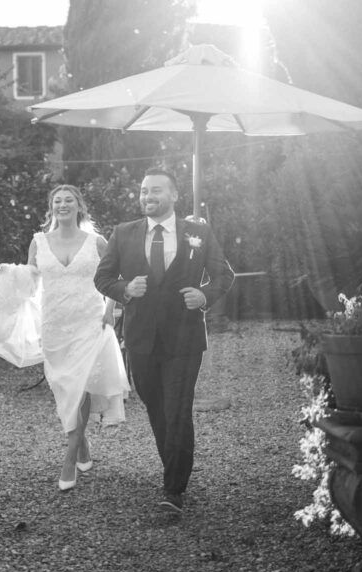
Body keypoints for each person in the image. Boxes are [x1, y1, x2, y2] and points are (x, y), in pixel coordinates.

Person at [94, 168, 234, 515]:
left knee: (177, 409)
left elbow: (224, 275)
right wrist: (125, 290)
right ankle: (173, 465)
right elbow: (102, 277)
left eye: (155, 190)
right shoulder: (123, 233)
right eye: (143, 191)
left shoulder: (198, 233)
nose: (147, 196)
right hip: (140, 339)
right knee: (156, 406)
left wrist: (204, 296)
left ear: (173, 195)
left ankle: (174, 488)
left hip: (184, 338)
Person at [27, 184, 129, 492]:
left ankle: (70, 454)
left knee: (81, 387)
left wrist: (110, 309)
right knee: (64, 389)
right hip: (55, 327)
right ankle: (82, 442)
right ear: (51, 208)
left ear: (79, 206)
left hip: (89, 323)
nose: (63, 204)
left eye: (69, 200)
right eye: (57, 201)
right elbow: (29, 282)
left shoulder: (96, 242)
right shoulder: (38, 242)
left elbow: (117, 278)